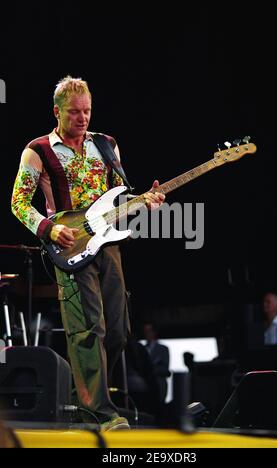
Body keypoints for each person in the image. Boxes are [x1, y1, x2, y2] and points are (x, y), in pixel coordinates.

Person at [11, 76, 165, 431]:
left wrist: (145, 202)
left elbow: (119, 199)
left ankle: (85, 405)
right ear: (57, 111)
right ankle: (99, 411)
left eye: (87, 111)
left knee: (119, 329)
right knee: (87, 328)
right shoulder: (38, 150)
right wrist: (49, 228)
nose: (82, 118)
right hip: (69, 245)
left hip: (108, 245)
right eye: (74, 112)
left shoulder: (107, 145)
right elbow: (19, 203)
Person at [143, 321, 170, 404]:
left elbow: (165, 369)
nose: (147, 333)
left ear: (154, 332)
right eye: (145, 331)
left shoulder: (163, 349)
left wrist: (149, 370)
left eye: (149, 331)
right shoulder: (142, 348)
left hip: (159, 384)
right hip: (146, 386)